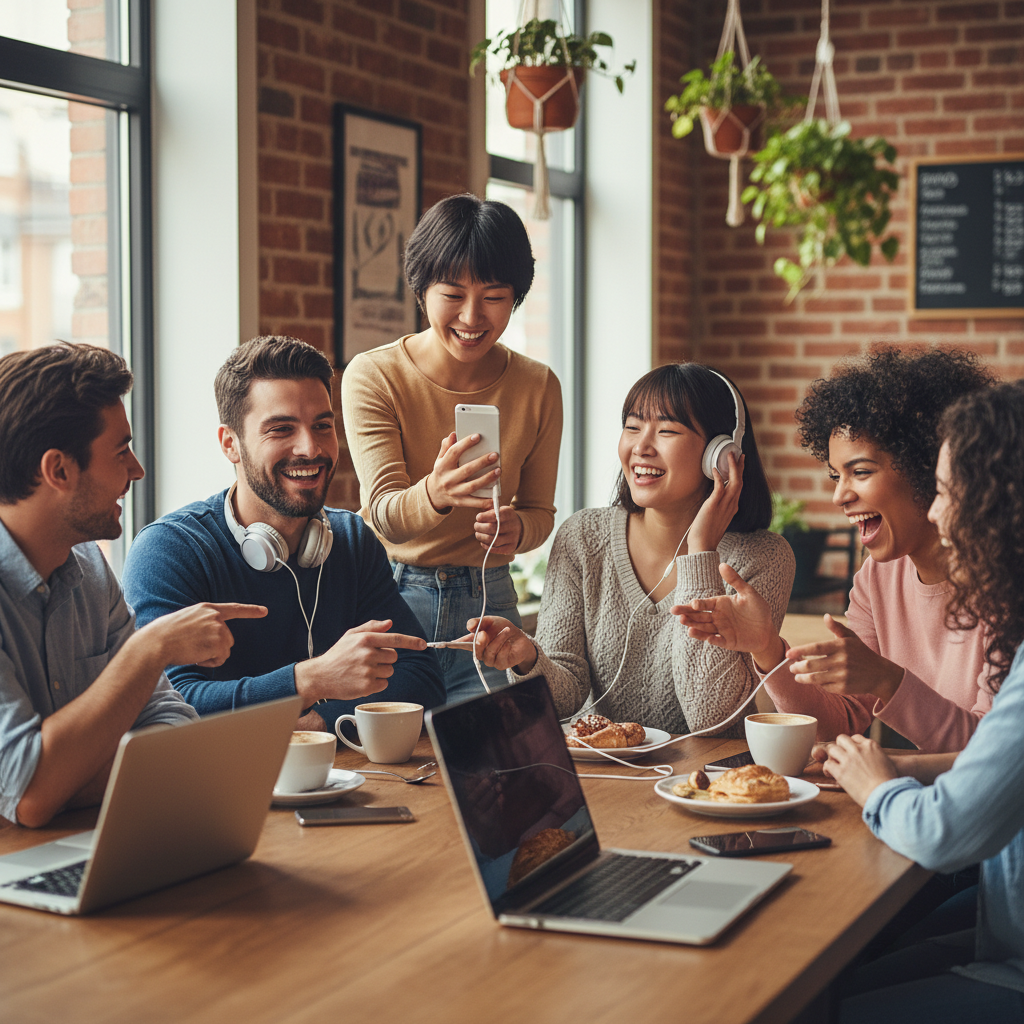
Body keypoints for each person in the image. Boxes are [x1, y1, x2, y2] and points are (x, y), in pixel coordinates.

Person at [823, 381, 1024, 1023]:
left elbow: (945, 833)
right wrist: (899, 770)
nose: (939, 514)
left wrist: (882, 789)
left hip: (1005, 936)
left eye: (949, 492)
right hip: (1003, 912)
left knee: (816, 1000)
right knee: (833, 981)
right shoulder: (879, 577)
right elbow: (1002, 762)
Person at [676, 347, 995, 752]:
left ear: (928, 469)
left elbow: (994, 761)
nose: (839, 496)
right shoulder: (878, 579)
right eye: (835, 475)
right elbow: (838, 720)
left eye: (860, 472)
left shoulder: (1004, 584)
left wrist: (886, 683)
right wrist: (768, 649)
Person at [122, 336, 445, 735]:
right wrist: (309, 680)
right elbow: (172, 703)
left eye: (322, 426)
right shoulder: (169, 551)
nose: (310, 448)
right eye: (281, 429)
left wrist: (318, 722)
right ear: (230, 444)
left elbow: (421, 678)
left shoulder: (350, 540)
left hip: (338, 778)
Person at [0, 344, 255, 828]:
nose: (137, 470)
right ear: (58, 470)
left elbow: (177, 732)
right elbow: (30, 792)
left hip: (85, 840)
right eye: (121, 452)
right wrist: (149, 650)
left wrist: (62, 781)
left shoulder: (89, 569)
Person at [466, 363, 794, 734]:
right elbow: (565, 697)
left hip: (708, 785)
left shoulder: (763, 558)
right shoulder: (582, 537)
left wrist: (701, 551)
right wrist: (527, 658)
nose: (641, 447)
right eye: (632, 427)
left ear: (721, 454)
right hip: (607, 776)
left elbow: (712, 718)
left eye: (667, 431)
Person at [341, 193, 562, 701]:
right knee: (389, 765)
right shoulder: (374, 375)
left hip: (490, 603)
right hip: (392, 594)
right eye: (452, 293)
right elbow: (382, 516)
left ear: (516, 297)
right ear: (422, 289)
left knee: (496, 764)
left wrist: (516, 530)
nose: (472, 315)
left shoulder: (537, 385)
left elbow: (540, 514)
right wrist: (436, 493)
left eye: (494, 295)